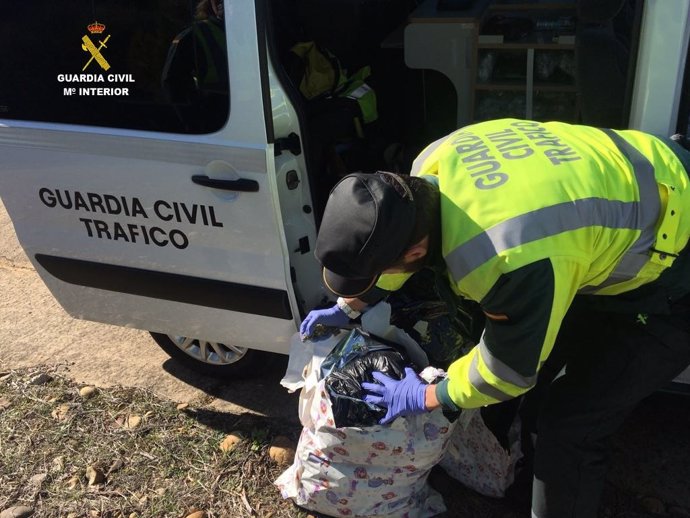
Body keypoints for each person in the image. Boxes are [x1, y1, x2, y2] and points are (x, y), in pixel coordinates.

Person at [299, 118, 690, 518]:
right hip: (640, 187)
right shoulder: (432, 164)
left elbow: (507, 371)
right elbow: (398, 249)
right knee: (543, 370)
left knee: (570, 424)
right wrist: (354, 304)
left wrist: (427, 395)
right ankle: (525, 473)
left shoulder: (503, 257)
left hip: (676, 267)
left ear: (415, 252)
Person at [161, 0, 228, 132]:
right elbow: (172, 84)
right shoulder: (192, 36)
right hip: (216, 129)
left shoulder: (260, 31)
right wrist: (197, 126)